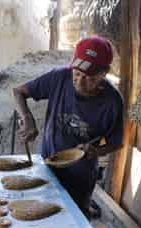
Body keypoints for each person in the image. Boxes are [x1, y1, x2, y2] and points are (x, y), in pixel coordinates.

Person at [13, 36, 124, 216]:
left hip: (81, 178)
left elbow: (116, 143)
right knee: (41, 218)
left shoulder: (112, 102)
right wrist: (28, 118)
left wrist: (96, 151)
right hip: (48, 168)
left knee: (75, 221)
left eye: (89, 78)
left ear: (104, 73)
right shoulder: (59, 77)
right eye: (77, 73)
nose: (80, 82)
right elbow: (18, 91)